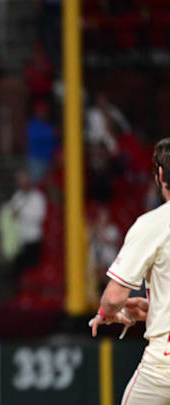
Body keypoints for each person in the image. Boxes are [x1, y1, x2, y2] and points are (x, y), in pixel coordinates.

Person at [90, 137, 170, 405]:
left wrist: (108, 312)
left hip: (164, 367)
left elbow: (113, 298)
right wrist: (155, 308)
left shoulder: (154, 224)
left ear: (160, 174)